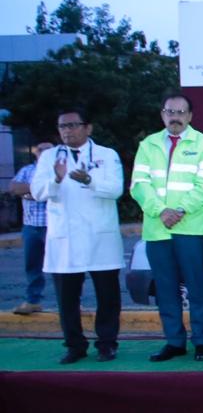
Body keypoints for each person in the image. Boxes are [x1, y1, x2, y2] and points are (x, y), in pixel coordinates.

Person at [131, 93, 203, 362]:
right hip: (157, 228)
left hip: (191, 228)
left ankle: (202, 341)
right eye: (170, 112)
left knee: (196, 287)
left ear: (190, 116)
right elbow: (139, 184)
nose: (175, 117)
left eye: (181, 112)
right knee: (165, 289)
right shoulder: (148, 145)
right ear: (162, 114)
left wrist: (180, 210)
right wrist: (161, 211)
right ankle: (174, 342)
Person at [29, 109, 123, 363]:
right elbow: (37, 192)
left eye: (73, 125)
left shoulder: (107, 154)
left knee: (108, 296)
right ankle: (74, 345)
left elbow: (116, 189)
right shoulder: (49, 157)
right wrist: (56, 180)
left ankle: (107, 344)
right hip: (66, 238)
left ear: (88, 128)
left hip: (100, 237)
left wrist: (90, 180)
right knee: (67, 299)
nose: (67, 131)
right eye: (62, 126)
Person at [9, 142, 52, 315]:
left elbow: (57, 191)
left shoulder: (58, 170)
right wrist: (40, 190)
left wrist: (30, 192)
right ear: (36, 152)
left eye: (49, 149)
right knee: (32, 266)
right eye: (41, 149)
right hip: (31, 226)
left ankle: (72, 303)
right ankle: (33, 301)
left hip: (54, 227)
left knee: (62, 267)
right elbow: (14, 188)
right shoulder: (27, 170)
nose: (45, 152)